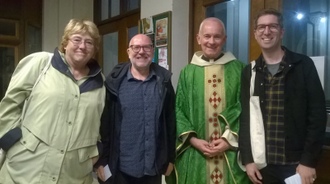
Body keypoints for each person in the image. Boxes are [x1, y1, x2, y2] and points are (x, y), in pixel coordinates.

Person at [0, 19, 105, 183]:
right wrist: (12, 143)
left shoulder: (100, 84)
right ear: (65, 42)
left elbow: (96, 124)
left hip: (72, 174)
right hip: (26, 169)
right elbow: (9, 106)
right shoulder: (41, 63)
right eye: (76, 39)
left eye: (89, 42)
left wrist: (95, 151)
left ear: (95, 49)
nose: (82, 46)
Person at [239, 8, 327, 184]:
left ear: (282, 31)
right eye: (261, 27)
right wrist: (248, 159)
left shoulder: (303, 65)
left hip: (296, 166)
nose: (267, 31)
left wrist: (308, 161)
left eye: (273, 26)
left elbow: (317, 116)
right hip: (263, 166)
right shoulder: (250, 72)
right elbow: (245, 119)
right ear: (255, 33)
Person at [166, 17, 250, 184]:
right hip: (196, 154)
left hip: (230, 153)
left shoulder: (240, 69)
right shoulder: (187, 73)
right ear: (198, 39)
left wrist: (228, 139)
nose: (211, 41)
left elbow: (246, 108)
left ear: (224, 39)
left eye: (217, 36)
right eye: (207, 36)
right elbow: (178, 109)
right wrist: (194, 140)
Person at [95, 34, 176, 184]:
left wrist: (170, 157)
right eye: (136, 47)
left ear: (152, 51)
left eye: (146, 47)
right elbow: (104, 125)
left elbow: (171, 122)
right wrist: (101, 160)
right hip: (120, 169)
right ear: (128, 51)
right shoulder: (114, 84)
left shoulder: (163, 83)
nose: (141, 51)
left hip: (153, 169)